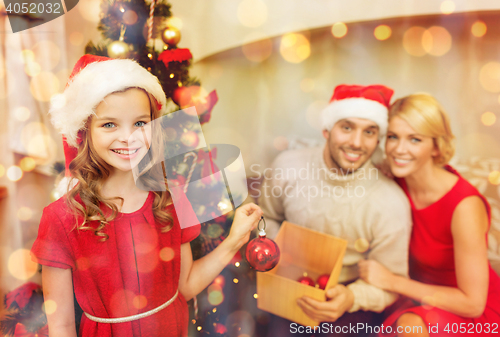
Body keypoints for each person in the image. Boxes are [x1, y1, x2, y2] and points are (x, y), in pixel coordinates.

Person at [30, 54, 263, 337]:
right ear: (84, 132)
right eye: (109, 124)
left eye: (140, 123)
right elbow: (62, 326)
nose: (128, 138)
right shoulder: (61, 218)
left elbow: (186, 286)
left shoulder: (173, 197)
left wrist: (235, 240)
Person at [258, 84, 412, 335]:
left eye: (369, 132)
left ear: (378, 139)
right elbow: (267, 216)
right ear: (327, 130)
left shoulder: (390, 202)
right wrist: (275, 253)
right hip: (286, 289)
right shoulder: (287, 167)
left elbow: (392, 282)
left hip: (350, 304)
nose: (356, 143)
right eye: (347, 127)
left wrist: (352, 297)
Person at [358, 93, 500, 336]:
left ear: (436, 146)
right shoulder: (392, 180)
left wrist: (391, 281)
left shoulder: (464, 206)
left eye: (415, 139)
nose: (399, 149)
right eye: (393, 137)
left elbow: (472, 304)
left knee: (409, 327)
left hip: (469, 311)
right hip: (418, 299)